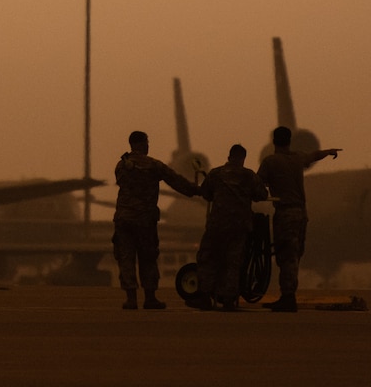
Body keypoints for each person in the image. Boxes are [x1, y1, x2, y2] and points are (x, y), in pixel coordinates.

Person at [110, 129, 200, 309]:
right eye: (146, 142)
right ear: (142, 143)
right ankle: (150, 298)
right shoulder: (153, 165)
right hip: (144, 221)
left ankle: (131, 299)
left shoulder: (121, 165)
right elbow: (175, 181)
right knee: (148, 257)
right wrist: (195, 190)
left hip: (124, 220)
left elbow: (121, 182)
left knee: (126, 259)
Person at [256, 125, 340, 312]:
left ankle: (288, 297)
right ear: (289, 141)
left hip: (285, 214)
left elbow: (256, 185)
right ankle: (288, 295)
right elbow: (313, 156)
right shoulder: (297, 159)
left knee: (286, 257)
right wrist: (328, 152)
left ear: (274, 142)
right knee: (294, 255)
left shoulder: (270, 162)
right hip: (301, 214)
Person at [195, 143, 267, 310]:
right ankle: (229, 299)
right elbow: (262, 194)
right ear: (243, 159)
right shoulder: (249, 176)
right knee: (233, 262)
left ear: (229, 157)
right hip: (239, 226)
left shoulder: (216, 174)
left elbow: (205, 193)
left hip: (217, 225)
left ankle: (205, 296)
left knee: (208, 258)